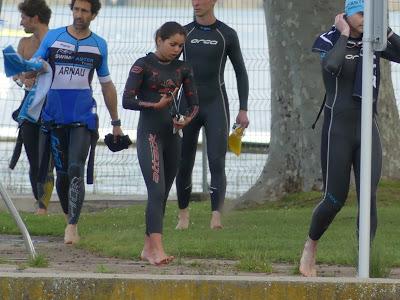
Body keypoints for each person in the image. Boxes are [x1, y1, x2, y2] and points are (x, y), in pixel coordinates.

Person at [299, 0, 400, 277]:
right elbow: (331, 66)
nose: (365, 18)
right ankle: (311, 245)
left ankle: (363, 261)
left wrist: (387, 31)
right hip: (338, 130)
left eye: (369, 13)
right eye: (360, 13)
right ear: (346, 14)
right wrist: (344, 33)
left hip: (368, 126)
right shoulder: (328, 39)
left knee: (368, 195)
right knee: (335, 198)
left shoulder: (374, 40)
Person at [33, 0, 123, 244]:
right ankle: (67, 216)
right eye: (76, 9)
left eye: (84, 11)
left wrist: (116, 122)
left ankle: (72, 226)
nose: (79, 15)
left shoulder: (98, 45)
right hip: (54, 117)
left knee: (75, 168)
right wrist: (27, 68)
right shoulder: (52, 37)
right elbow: (35, 64)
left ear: (93, 15)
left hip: (83, 117)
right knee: (62, 174)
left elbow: (107, 85)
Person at [122, 21, 199, 265]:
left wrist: (186, 120)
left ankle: (148, 248)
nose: (177, 49)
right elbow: (127, 100)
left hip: (173, 135)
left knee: (163, 194)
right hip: (150, 135)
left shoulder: (183, 68)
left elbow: (194, 102)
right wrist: (154, 105)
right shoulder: (142, 65)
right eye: (172, 44)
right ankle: (157, 250)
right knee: (155, 190)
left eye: (180, 45)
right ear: (159, 40)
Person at [175, 0, 249, 230]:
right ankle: (183, 215)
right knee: (183, 162)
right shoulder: (184, 33)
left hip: (215, 103)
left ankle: (216, 216)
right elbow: (168, 68)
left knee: (217, 161)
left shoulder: (226, 34)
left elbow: (240, 72)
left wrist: (243, 109)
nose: (196, 3)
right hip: (186, 105)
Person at [11, 0, 54, 215]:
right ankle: (39, 201)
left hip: (50, 106)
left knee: (47, 157)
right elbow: (17, 73)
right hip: (28, 107)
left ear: (35, 18)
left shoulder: (55, 41)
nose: (21, 22)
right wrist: (22, 80)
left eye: (24, 18)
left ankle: (43, 206)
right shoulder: (24, 44)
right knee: (33, 157)